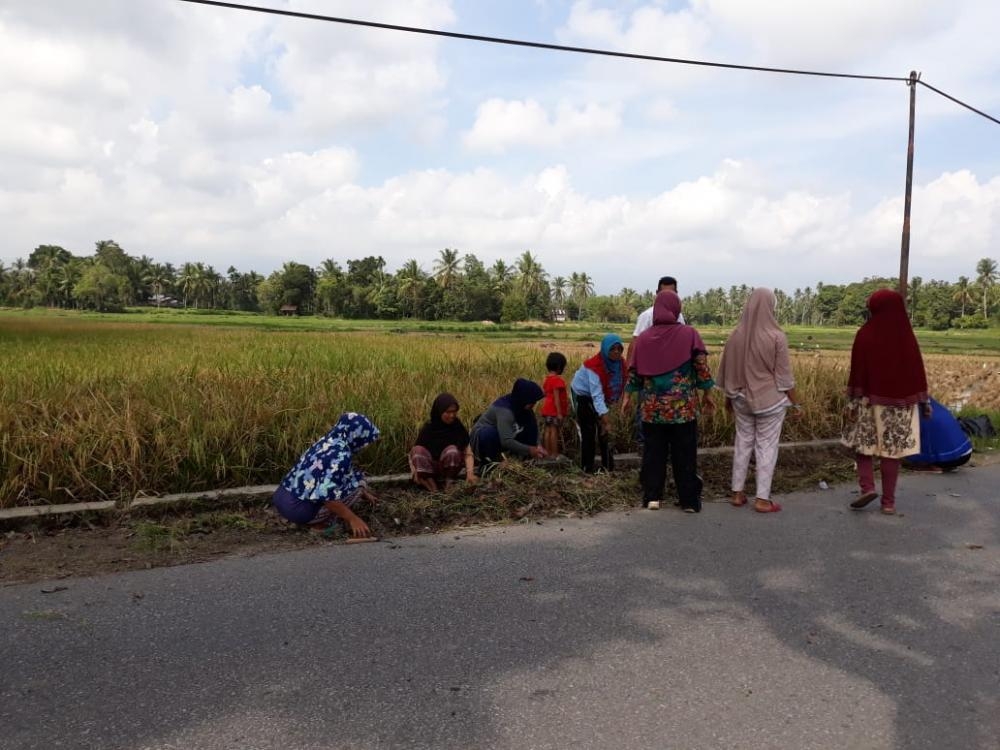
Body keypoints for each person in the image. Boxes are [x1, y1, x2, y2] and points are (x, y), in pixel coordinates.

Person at [842, 289, 931, 515]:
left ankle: (867, 487)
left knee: (863, 446)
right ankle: (888, 503)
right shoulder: (906, 337)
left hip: (868, 402)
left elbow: (858, 372)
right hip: (899, 407)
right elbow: (917, 372)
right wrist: (924, 401)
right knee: (891, 452)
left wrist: (852, 400)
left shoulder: (865, 334)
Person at [625, 290, 715, 512]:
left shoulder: (644, 339)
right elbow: (701, 367)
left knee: (653, 453)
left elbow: (634, 373)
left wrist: (627, 397)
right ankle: (689, 501)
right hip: (682, 410)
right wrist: (708, 395)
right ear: (676, 309)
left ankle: (652, 497)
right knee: (684, 454)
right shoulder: (690, 334)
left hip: (652, 411)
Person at [716, 287, 801, 514]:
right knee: (767, 447)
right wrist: (797, 403)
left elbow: (728, 370)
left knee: (742, 442)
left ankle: (737, 492)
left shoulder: (735, 334)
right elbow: (784, 378)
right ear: (771, 306)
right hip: (769, 402)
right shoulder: (776, 336)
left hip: (740, 398)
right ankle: (762, 499)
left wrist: (728, 398)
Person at [271, 412, 379, 538]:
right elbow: (327, 498)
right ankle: (320, 525)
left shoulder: (328, 442)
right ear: (356, 436)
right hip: (298, 511)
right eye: (365, 441)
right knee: (360, 486)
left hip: (283, 499)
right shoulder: (341, 456)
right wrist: (353, 519)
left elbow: (339, 475)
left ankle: (309, 517)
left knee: (355, 482)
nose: (365, 445)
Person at [626, 276, 685, 446]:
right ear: (657, 294)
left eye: (672, 293)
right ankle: (643, 444)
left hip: (672, 375)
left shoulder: (680, 317)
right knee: (645, 408)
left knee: (669, 408)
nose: (668, 297)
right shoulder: (647, 316)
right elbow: (635, 344)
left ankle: (663, 446)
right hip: (649, 373)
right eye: (664, 293)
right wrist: (630, 371)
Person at [570, 333, 625, 473]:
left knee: (605, 433)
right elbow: (597, 397)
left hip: (603, 397)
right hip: (584, 396)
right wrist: (605, 420)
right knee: (589, 431)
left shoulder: (621, 364)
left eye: (619, 349)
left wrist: (615, 408)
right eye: (613, 349)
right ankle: (587, 469)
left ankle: (607, 468)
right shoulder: (593, 367)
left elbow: (622, 385)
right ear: (606, 349)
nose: (616, 352)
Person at [470, 378, 548, 466]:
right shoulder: (505, 411)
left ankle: (520, 458)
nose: (534, 404)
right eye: (532, 401)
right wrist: (530, 450)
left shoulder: (524, 408)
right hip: (485, 439)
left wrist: (538, 446)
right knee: (488, 434)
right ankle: (494, 461)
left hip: (504, 434)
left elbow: (533, 427)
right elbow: (506, 441)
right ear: (524, 399)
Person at [409, 393, 476, 491]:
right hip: (430, 469)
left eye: (454, 412)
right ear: (439, 412)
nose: (452, 415)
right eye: (448, 412)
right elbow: (413, 454)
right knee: (417, 450)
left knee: (452, 451)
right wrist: (414, 471)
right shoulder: (429, 428)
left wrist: (470, 473)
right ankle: (431, 486)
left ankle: (449, 482)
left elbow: (467, 452)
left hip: (449, 469)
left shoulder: (457, 427)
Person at [902, 396, 972, 473]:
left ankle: (931, 466)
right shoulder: (927, 399)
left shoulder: (908, 407)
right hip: (966, 453)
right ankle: (941, 464)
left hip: (949, 459)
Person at [540, 352, 570, 457]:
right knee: (554, 431)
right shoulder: (558, 380)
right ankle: (554, 454)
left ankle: (547, 453)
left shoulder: (547, 380)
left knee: (547, 430)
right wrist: (559, 413)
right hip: (554, 410)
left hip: (546, 409)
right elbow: (557, 399)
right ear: (559, 367)